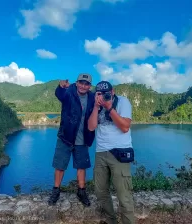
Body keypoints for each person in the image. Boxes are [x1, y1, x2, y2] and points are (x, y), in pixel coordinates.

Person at [88, 81, 135, 224]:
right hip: (101, 152)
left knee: (124, 195)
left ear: (113, 91)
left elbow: (125, 127)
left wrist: (109, 108)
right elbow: (91, 127)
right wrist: (96, 107)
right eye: (100, 94)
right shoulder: (96, 104)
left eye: (106, 93)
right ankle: (111, 221)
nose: (103, 96)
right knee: (100, 191)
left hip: (120, 151)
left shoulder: (122, 102)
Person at [48, 73, 96, 207]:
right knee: (60, 165)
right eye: (81, 82)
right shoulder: (69, 92)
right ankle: (56, 191)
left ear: (89, 86)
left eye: (86, 84)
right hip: (66, 137)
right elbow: (60, 94)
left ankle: (81, 191)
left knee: (82, 166)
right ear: (77, 82)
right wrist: (60, 86)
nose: (83, 86)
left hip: (83, 138)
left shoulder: (92, 97)